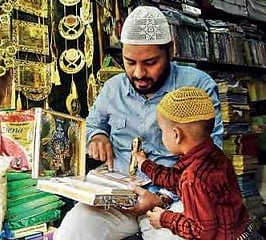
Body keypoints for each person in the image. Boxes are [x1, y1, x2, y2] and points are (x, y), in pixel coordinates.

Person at [55, 5, 223, 240]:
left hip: (174, 198)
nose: (138, 73)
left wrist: (162, 198)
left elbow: (210, 160)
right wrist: (98, 136)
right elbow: (94, 123)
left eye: (150, 62)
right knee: (71, 233)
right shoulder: (113, 88)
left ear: (171, 51)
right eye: (130, 62)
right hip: (116, 197)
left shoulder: (197, 87)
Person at [135, 87, 258, 239]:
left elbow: (202, 232)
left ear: (176, 135)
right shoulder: (213, 155)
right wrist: (144, 164)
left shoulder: (192, 179)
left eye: (162, 131)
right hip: (245, 232)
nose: (162, 136)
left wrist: (165, 218)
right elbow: (175, 179)